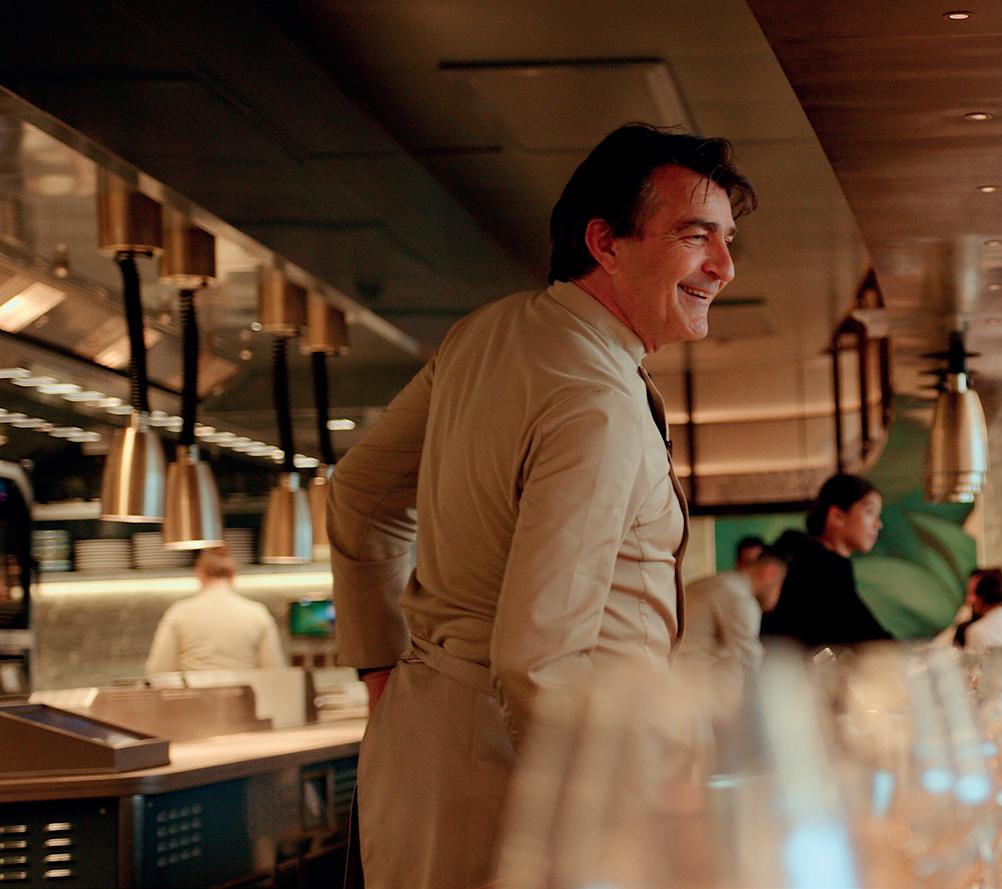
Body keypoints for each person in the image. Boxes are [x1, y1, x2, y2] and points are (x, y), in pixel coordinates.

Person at [327, 123, 754, 889]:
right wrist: (615, 820)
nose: (723, 266)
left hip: (424, 752)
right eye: (696, 236)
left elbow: (360, 491)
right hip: (522, 790)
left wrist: (381, 665)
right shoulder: (597, 400)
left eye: (725, 240)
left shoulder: (485, 333)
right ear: (605, 241)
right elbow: (541, 662)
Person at [759, 473, 891, 648]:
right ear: (837, 516)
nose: (878, 524)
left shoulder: (811, 558)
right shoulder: (821, 568)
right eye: (870, 512)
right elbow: (862, 630)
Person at [145, 546, 286, 673]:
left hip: (195, 693)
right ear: (233, 575)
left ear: (200, 574)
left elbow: (158, 670)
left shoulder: (179, 612)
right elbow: (274, 670)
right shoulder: (257, 613)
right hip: (243, 693)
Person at [677, 544, 788, 671]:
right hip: (688, 675)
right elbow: (752, 661)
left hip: (679, 670)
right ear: (770, 573)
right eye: (780, 585)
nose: (778, 594)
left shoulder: (722, 583)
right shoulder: (738, 596)